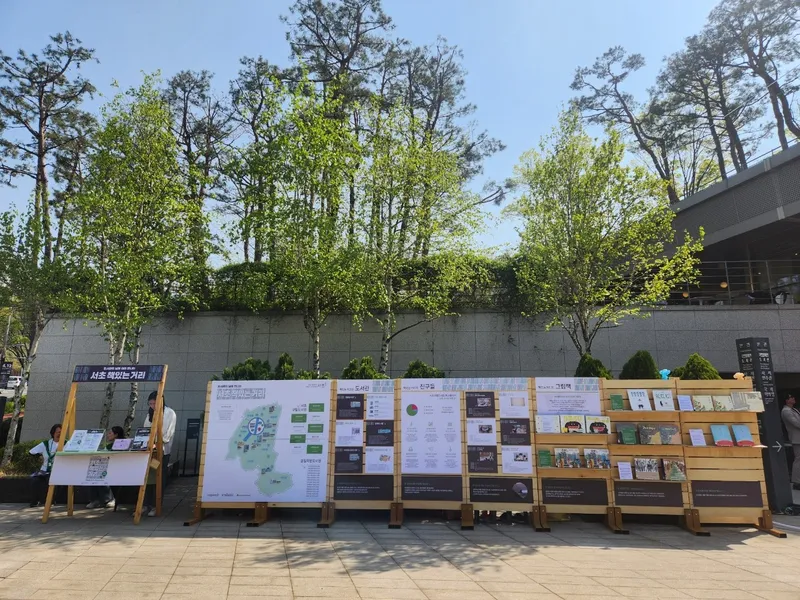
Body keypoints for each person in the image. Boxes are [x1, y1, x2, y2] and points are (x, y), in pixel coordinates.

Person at [142, 390, 176, 517]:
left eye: (154, 403)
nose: (152, 406)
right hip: (150, 451)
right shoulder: (149, 414)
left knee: (159, 478)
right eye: (150, 404)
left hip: (162, 451)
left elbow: (168, 434)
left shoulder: (170, 413)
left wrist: (157, 443)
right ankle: (145, 504)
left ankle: (156, 505)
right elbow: (145, 430)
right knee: (148, 478)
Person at [86, 426, 125, 509]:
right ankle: (95, 500)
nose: (108, 435)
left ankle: (109, 499)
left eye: (110, 433)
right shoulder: (108, 446)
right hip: (107, 467)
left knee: (102, 475)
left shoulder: (124, 444)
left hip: (118, 468)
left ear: (116, 435)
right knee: (93, 474)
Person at [29, 424, 61, 507]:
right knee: (34, 480)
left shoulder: (66, 444)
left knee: (50, 479)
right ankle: (34, 501)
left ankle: (50, 501)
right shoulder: (46, 444)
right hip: (44, 470)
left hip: (57, 470)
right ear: (53, 433)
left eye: (61, 432)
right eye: (58, 432)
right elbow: (31, 452)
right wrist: (39, 456)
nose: (59, 434)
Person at [781, 394, 800, 491]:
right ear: (787, 400)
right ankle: (796, 481)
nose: (793, 399)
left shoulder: (794, 410)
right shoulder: (786, 411)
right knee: (798, 459)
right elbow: (796, 423)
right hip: (797, 438)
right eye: (791, 398)